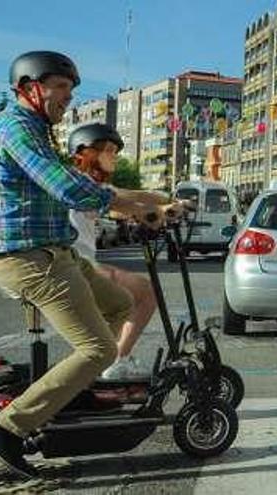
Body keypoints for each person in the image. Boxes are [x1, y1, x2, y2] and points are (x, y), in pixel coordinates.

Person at [0, 51, 182, 479]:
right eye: (61, 87)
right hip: (27, 258)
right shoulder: (16, 129)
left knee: (123, 303)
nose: (68, 97)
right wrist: (138, 210)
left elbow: (91, 186)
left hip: (55, 253)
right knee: (98, 349)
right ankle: (6, 428)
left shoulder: (37, 130)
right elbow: (69, 188)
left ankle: (73, 389)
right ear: (31, 87)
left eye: (71, 89)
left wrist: (153, 203)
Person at [67, 123, 163, 380]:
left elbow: (126, 200)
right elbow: (129, 199)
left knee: (125, 299)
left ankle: (109, 359)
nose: (114, 157)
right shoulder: (82, 184)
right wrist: (161, 206)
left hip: (78, 263)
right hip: (75, 265)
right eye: (108, 150)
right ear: (87, 153)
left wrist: (169, 202)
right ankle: (115, 360)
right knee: (145, 294)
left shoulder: (84, 183)